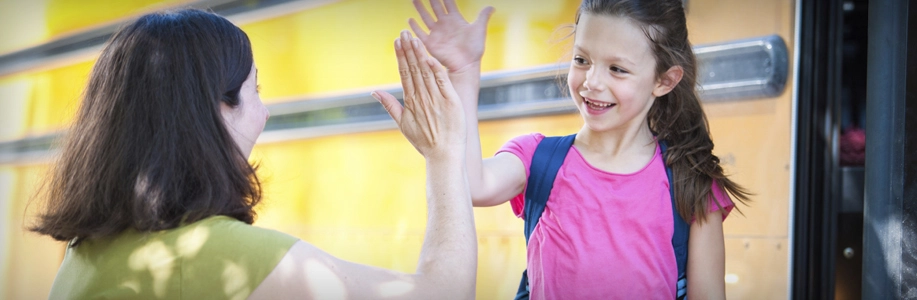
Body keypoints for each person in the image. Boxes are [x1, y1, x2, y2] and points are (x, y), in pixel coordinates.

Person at [31, 9, 477, 299]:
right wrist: (444, 155)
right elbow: (444, 293)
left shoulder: (85, 251)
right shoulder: (220, 257)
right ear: (211, 108)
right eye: (255, 89)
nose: (264, 113)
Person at [404, 0, 750, 299]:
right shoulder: (538, 158)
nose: (592, 82)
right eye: (582, 60)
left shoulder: (691, 184)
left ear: (665, 80)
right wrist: (464, 73)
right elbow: (469, 185)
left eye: (617, 69)